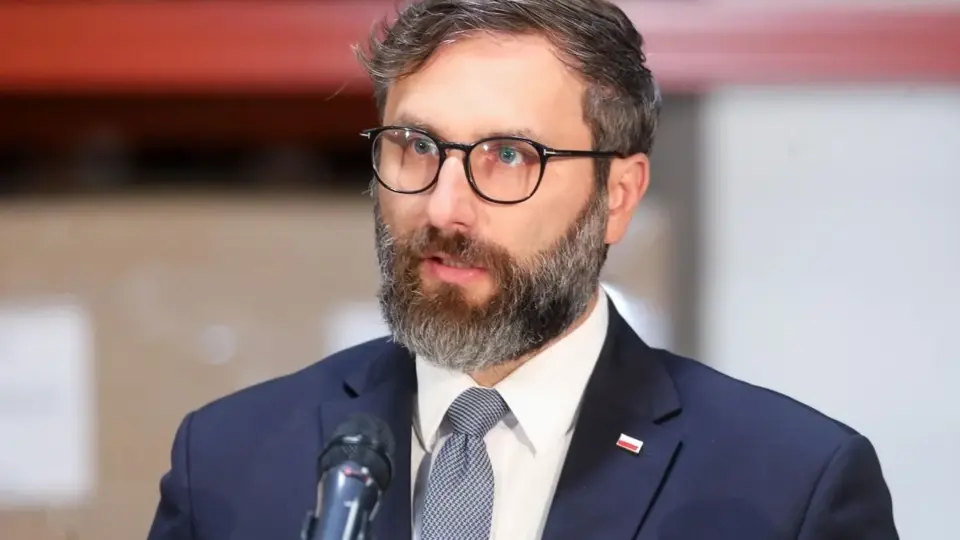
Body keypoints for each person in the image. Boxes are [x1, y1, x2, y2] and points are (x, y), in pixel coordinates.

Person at [146, 1, 899, 539]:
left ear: (617, 196)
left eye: (509, 156)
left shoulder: (791, 487)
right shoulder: (226, 462)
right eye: (416, 146)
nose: (444, 207)